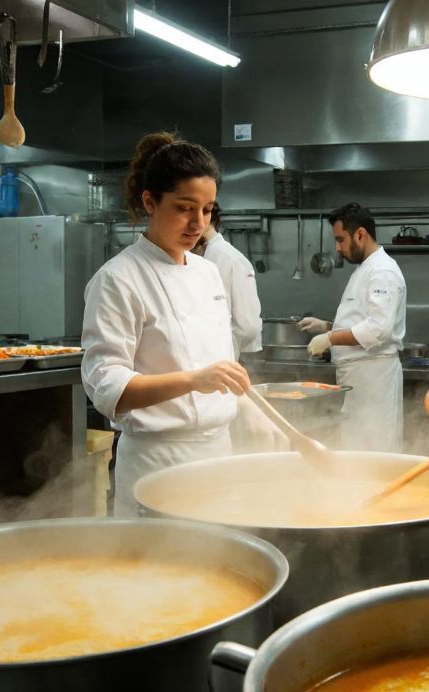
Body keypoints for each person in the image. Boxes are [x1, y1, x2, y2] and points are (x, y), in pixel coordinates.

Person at [82, 132, 281, 516]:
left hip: (217, 457)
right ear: (150, 202)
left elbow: (220, 366)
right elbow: (108, 388)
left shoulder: (208, 273)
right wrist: (192, 380)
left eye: (207, 210)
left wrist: (249, 406)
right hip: (157, 462)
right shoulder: (118, 279)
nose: (197, 223)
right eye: (184, 208)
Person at [300, 203, 407, 452]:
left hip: (374, 379)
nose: (338, 248)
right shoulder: (365, 268)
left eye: (341, 240)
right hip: (359, 378)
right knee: (357, 450)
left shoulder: (382, 271)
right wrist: (327, 326)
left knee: (374, 453)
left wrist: (330, 338)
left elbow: (379, 329)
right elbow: (362, 320)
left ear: (360, 234)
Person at [195, 208, 262, 359]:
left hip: (221, 356)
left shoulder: (229, 259)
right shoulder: (204, 256)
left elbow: (249, 326)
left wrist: (232, 350)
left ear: (206, 219)